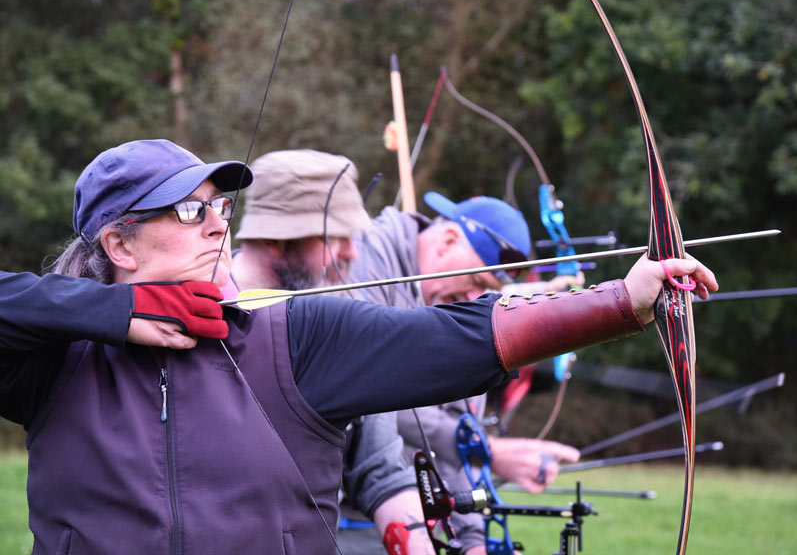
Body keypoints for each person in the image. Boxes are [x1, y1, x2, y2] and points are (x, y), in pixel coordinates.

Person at [0, 139, 717, 555]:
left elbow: (461, 336)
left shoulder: (292, 335)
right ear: (119, 243)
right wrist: (106, 311)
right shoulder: (53, 359)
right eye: (190, 210)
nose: (217, 225)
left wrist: (622, 302)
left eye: (221, 207)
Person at [344, 193, 590, 552]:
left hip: (395, 516)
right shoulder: (367, 264)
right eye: (477, 282)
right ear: (447, 241)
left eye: (488, 292)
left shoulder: (456, 307)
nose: (474, 297)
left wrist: (473, 542)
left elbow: (463, 430)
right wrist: (486, 450)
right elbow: (372, 393)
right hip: (335, 516)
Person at [229, 148, 432, 553]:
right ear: (273, 238)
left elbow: (382, 472)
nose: (352, 253)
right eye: (334, 236)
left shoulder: (342, 328)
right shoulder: (196, 320)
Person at [230, 149, 369, 292]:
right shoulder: (214, 309)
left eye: (351, 235)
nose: (353, 253)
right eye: (331, 239)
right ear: (272, 240)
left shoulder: (328, 294)